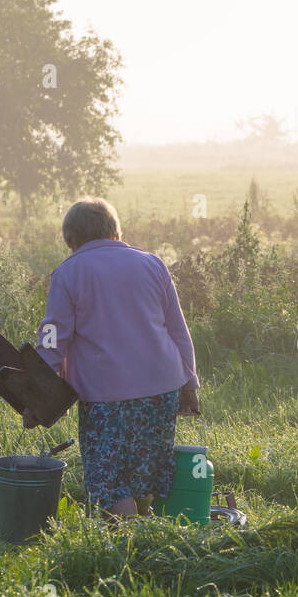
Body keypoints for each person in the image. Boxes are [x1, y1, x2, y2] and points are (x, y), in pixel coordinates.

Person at [25, 197, 200, 519]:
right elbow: (178, 329)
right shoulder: (152, 263)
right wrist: (189, 385)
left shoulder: (68, 273)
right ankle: (145, 546)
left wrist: (38, 397)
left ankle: (122, 554)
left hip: (107, 397)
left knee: (109, 486)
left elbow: (52, 340)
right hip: (161, 390)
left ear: (70, 239)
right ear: (115, 232)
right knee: (143, 474)